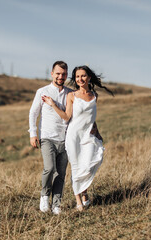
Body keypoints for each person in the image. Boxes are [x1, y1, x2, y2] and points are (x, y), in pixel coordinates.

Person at [42, 65, 113, 211]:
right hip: (74, 136)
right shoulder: (72, 96)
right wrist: (53, 104)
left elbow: (91, 118)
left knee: (87, 165)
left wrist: (97, 131)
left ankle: (84, 190)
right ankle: (79, 200)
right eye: (77, 77)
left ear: (89, 77)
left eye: (83, 76)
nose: (80, 79)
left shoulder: (94, 95)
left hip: (88, 136)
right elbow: (67, 117)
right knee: (76, 167)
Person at [28, 61, 72, 215]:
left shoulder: (70, 93)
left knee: (61, 173)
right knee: (49, 168)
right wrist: (33, 133)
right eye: (58, 73)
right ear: (52, 74)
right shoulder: (42, 91)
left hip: (66, 139)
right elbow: (33, 113)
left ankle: (57, 204)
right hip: (47, 137)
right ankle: (44, 196)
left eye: (64, 74)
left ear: (67, 75)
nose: (61, 76)